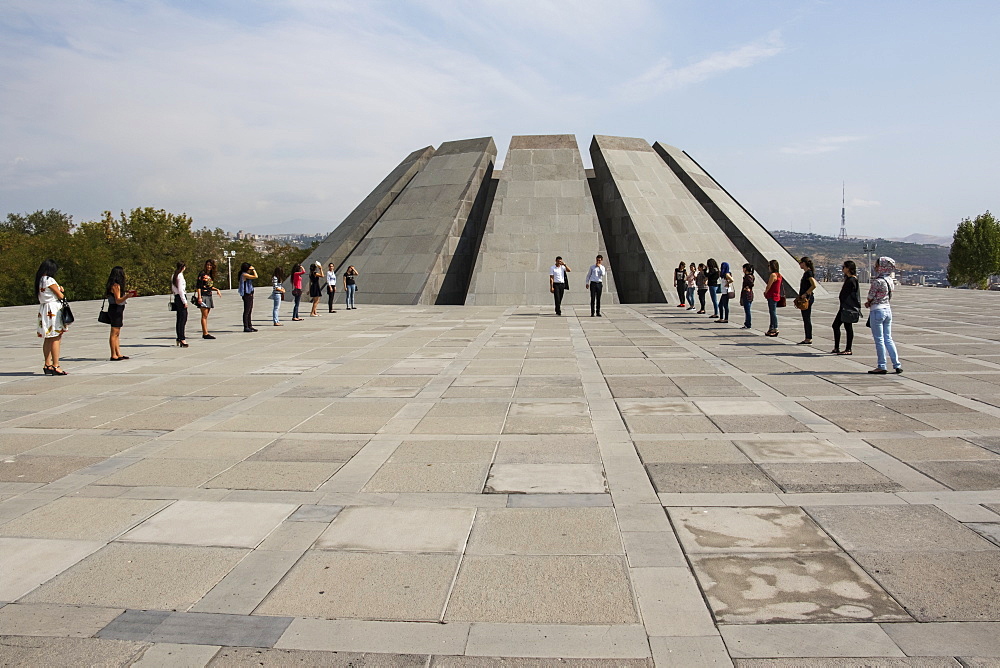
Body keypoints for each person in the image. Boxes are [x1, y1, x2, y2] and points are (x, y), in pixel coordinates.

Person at [865, 256, 902, 374]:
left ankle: (882, 365)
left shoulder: (877, 281)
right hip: (887, 309)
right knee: (888, 338)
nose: (875, 267)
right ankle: (896, 364)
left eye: (877, 265)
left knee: (879, 339)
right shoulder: (890, 280)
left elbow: (870, 296)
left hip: (877, 310)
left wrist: (868, 302)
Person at [36, 259, 69, 375]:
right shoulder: (49, 280)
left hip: (44, 308)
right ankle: (56, 365)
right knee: (56, 336)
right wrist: (60, 289)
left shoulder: (40, 280)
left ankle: (47, 363)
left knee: (48, 337)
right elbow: (60, 295)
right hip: (53, 309)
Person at [832, 260, 860, 355]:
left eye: (844, 267)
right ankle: (838, 347)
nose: (842, 269)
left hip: (847, 308)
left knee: (846, 326)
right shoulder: (849, 279)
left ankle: (848, 349)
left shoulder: (852, 280)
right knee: (839, 326)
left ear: (848, 268)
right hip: (844, 307)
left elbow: (850, 295)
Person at [105, 266, 132, 360]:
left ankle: (118, 353)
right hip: (115, 309)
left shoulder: (113, 285)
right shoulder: (115, 285)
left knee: (117, 333)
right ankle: (113, 354)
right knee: (114, 332)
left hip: (116, 309)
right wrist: (127, 296)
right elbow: (118, 300)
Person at [196, 259, 222, 339]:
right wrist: (199, 297)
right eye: (207, 265)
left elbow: (209, 286)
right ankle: (205, 333)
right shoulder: (202, 274)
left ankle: (206, 332)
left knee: (206, 315)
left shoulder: (210, 275)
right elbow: (198, 286)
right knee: (204, 315)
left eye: (210, 265)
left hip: (209, 295)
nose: (209, 267)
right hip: (204, 296)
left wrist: (216, 289)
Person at [797, 256, 818, 344]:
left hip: (807, 298)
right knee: (806, 318)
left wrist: (806, 294)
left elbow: (814, 285)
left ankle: (808, 337)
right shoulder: (807, 273)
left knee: (806, 318)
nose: (800, 264)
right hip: (806, 297)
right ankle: (808, 337)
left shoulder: (808, 273)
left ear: (804, 263)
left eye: (801, 262)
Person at [171, 262, 189, 347]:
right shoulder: (180, 276)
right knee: (183, 318)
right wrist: (184, 301)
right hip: (181, 297)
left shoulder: (174, 275)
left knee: (179, 319)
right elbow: (181, 290)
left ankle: (179, 337)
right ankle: (182, 338)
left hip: (176, 297)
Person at [764, 259, 783, 337]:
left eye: (769, 266)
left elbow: (769, 285)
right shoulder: (779, 275)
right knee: (772, 311)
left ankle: (775, 327)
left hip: (772, 295)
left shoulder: (773, 275)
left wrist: (765, 291)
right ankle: (771, 328)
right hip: (776, 295)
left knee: (772, 312)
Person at [238, 262, 258, 332]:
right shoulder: (244, 274)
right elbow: (256, 276)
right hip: (246, 294)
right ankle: (246, 326)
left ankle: (250, 325)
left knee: (249, 310)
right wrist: (254, 270)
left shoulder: (245, 274)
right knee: (247, 311)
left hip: (249, 293)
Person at [739, 263, 755, 329]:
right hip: (749, 295)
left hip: (747, 295)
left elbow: (751, 284)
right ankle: (747, 323)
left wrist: (747, 287)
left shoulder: (748, 276)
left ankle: (748, 323)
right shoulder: (751, 276)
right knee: (747, 310)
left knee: (747, 310)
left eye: (743, 268)